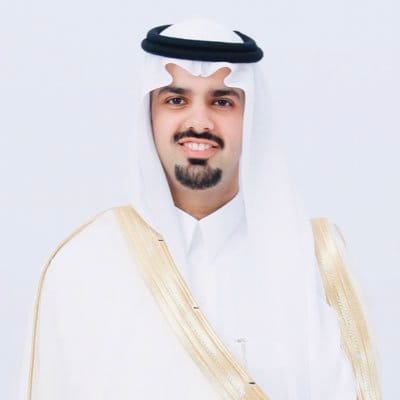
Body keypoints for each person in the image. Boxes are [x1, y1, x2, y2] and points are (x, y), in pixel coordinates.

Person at [20, 19, 380, 400]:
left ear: (251, 117)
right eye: (176, 100)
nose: (199, 122)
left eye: (222, 102)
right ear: (149, 114)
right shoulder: (83, 266)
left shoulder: (315, 265)